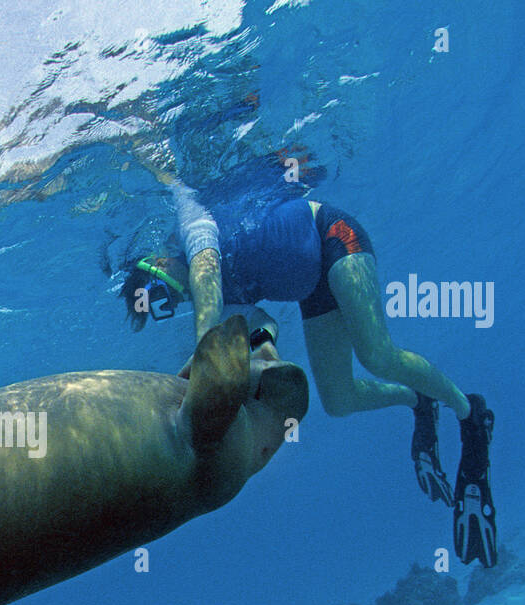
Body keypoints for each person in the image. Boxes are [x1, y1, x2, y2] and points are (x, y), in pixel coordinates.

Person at [121, 178, 497, 567]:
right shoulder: (220, 297)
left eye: (161, 297)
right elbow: (262, 325)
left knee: (377, 355)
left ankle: (470, 414)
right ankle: (418, 400)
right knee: (338, 400)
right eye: (164, 310)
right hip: (314, 286)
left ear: (159, 263)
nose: (175, 300)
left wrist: (206, 345)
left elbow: (206, 269)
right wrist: (263, 357)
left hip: (334, 237)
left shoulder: (192, 221)